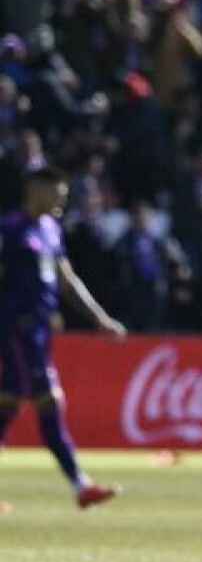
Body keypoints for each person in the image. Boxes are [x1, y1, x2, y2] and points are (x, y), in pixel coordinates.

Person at [0, 167, 127, 509]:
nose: (61, 200)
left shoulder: (51, 230)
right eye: (56, 193)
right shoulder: (10, 229)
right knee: (49, 401)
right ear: (34, 190)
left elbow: (67, 279)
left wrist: (99, 318)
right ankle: (80, 484)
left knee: (8, 403)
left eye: (64, 195)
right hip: (15, 328)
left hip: (39, 330)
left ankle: (80, 485)